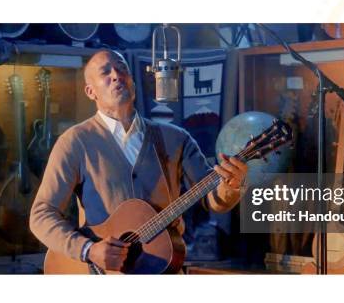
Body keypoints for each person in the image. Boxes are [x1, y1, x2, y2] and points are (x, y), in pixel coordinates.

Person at [29, 50, 247, 272]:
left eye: (122, 68)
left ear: (132, 81)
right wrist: (88, 250)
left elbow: (214, 200)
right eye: (105, 72)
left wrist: (231, 185)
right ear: (90, 91)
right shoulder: (75, 142)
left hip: (166, 269)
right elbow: (41, 215)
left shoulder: (176, 138)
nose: (116, 75)